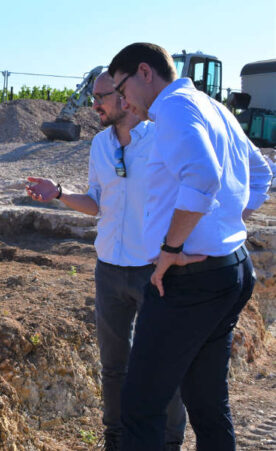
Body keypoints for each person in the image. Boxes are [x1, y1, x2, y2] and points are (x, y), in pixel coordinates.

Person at [108, 42, 272, 451]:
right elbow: (260, 172)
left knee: (141, 405)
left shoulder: (175, 109)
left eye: (121, 88)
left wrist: (169, 249)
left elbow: (202, 177)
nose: (121, 100)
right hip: (230, 269)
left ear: (145, 72)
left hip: (189, 280)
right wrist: (227, 223)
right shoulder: (212, 106)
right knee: (206, 402)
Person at [26, 71, 186, 451]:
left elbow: (189, 196)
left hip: (154, 272)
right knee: (113, 368)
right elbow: (97, 202)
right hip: (109, 271)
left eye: (101, 96)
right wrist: (61, 193)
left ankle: (169, 442)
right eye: (93, 96)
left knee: (166, 367)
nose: (93, 105)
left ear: (125, 95)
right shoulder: (99, 144)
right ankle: (116, 440)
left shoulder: (162, 139)